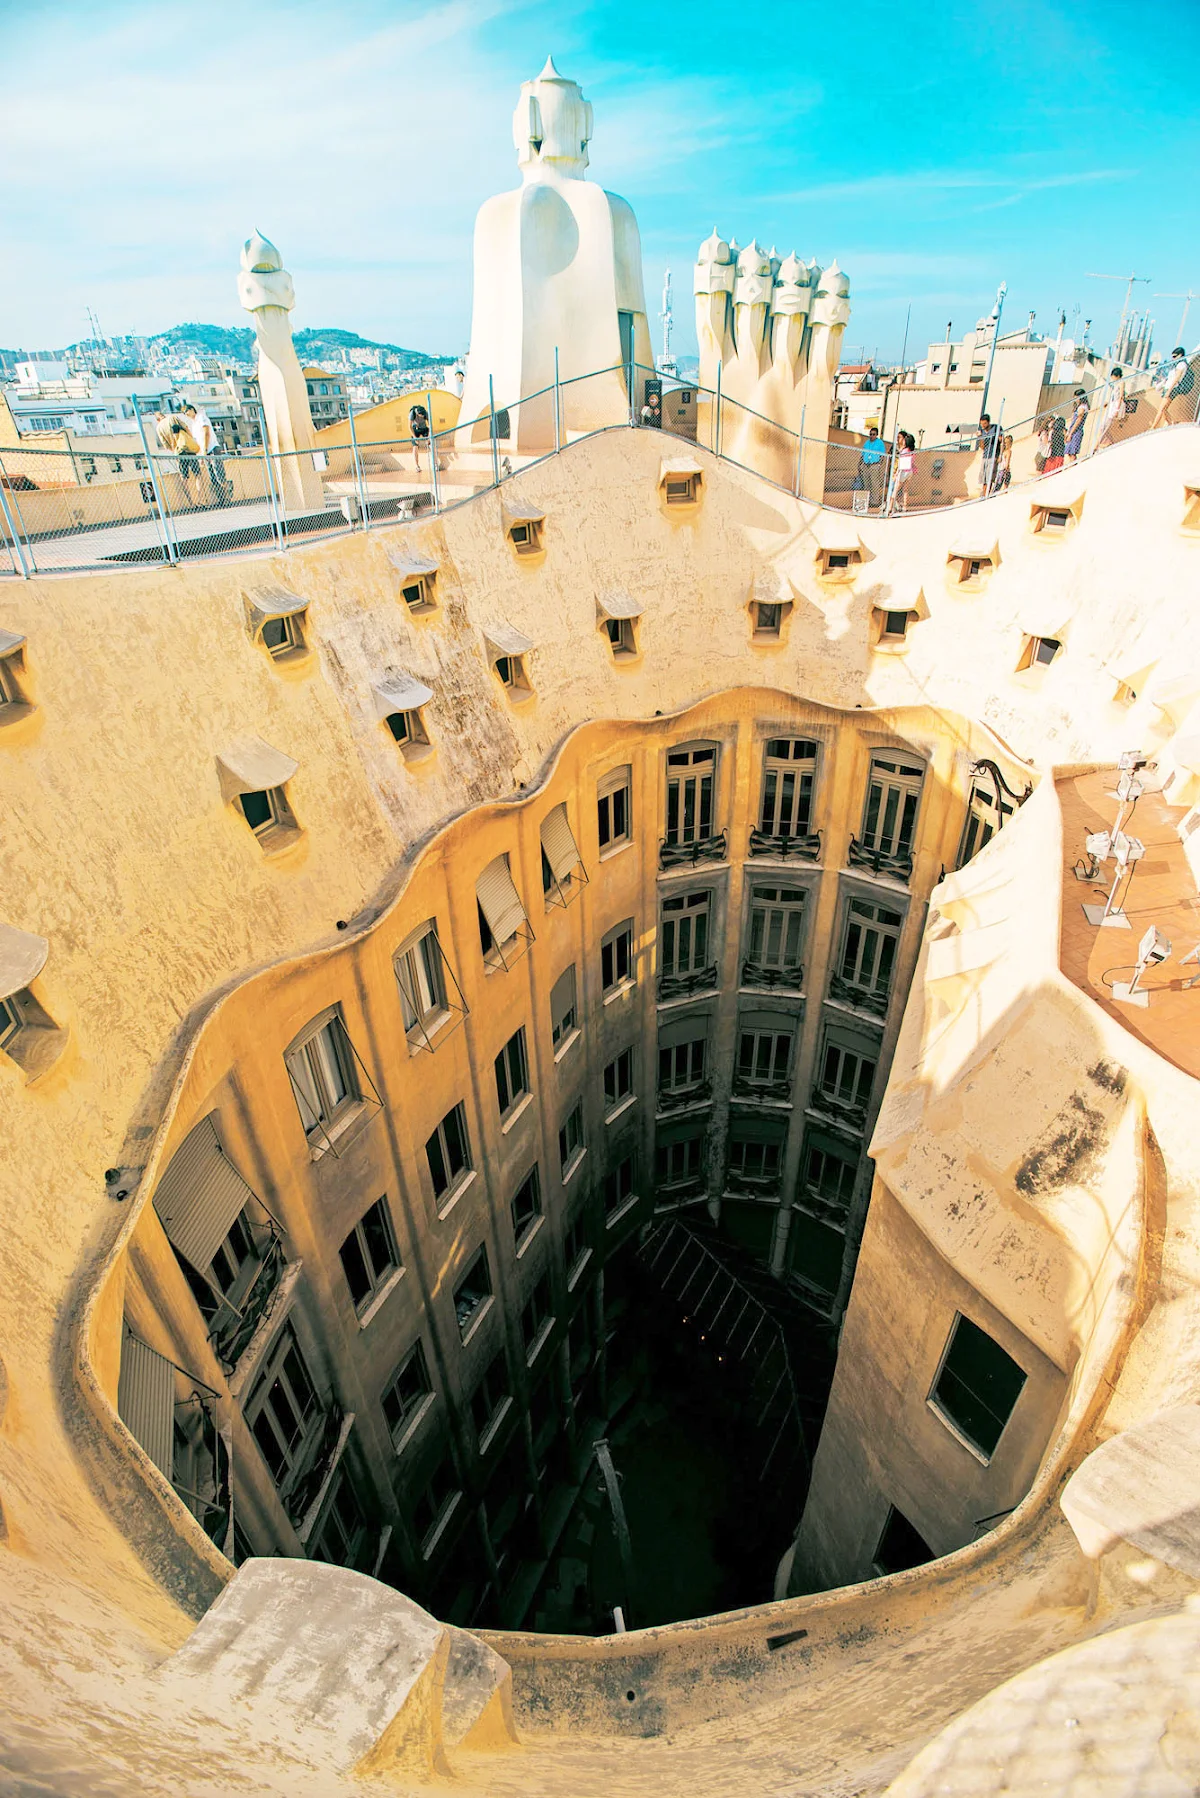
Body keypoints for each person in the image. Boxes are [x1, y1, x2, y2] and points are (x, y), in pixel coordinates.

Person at [182, 402, 230, 506]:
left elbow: (206, 433)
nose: (186, 414)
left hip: (212, 449)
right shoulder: (194, 424)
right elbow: (197, 440)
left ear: (191, 409)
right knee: (212, 477)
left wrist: (204, 450)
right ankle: (221, 500)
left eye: (186, 412)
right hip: (205, 453)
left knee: (219, 475)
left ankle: (227, 497)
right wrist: (201, 455)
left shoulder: (201, 418)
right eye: (184, 413)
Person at [1154, 345, 1197, 428]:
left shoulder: (1181, 365)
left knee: (1161, 409)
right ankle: (1171, 424)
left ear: (1180, 355)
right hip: (1169, 388)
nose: (1173, 358)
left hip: (1172, 389)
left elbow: (1176, 379)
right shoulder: (1177, 365)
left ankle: (1153, 427)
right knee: (1163, 409)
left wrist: (1169, 391)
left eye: (1174, 356)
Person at [855, 426, 887, 510]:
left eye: (873, 434)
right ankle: (866, 501)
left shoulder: (880, 443)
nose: (871, 436)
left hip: (874, 465)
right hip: (866, 465)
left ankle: (874, 502)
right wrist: (860, 464)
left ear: (876, 435)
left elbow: (882, 455)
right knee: (866, 483)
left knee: (874, 484)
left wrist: (879, 464)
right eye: (870, 434)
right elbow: (863, 454)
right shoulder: (867, 443)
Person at [1097, 367, 1128, 448]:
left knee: (1106, 425)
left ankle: (1101, 443)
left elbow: (1120, 396)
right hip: (1112, 405)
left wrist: (1117, 409)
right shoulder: (1116, 384)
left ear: (1117, 376)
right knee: (1103, 425)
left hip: (1115, 405)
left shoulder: (1121, 383)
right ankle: (1106, 442)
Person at [887, 431, 916, 514]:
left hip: (903, 471)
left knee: (895, 489)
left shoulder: (904, 451)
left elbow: (901, 463)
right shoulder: (912, 452)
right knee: (905, 490)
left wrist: (896, 473)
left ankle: (890, 507)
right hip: (909, 471)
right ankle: (905, 506)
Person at [978, 413, 1000, 494]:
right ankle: (984, 493)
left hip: (993, 456)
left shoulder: (996, 428)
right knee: (983, 477)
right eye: (981, 424)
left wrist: (1000, 455)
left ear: (988, 422)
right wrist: (980, 437)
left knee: (989, 477)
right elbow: (982, 447)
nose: (982, 425)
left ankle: (987, 493)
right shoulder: (982, 432)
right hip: (985, 457)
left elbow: (1001, 441)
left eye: (984, 423)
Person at [1065, 389, 1089, 464]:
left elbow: (1078, 421)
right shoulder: (1079, 407)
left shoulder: (1082, 407)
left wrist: (1071, 433)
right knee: (1069, 452)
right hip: (1073, 431)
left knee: (1072, 453)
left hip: (1076, 432)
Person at [408, 401, 431, 471]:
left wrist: (429, 437)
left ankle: (435, 463)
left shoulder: (425, 413)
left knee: (431, 444)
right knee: (415, 446)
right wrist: (415, 438)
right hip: (415, 429)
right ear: (418, 414)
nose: (423, 417)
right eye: (422, 416)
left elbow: (430, 425)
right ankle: (417, 466)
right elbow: (409, 427)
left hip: (424, 428)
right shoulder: (412, 413)